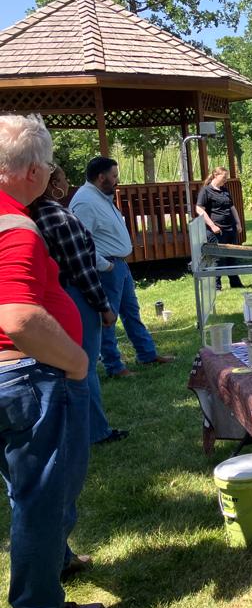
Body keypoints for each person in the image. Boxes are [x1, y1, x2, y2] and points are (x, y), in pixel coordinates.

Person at [0, 114, 101, 608]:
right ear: (34, 170)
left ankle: (53, 561)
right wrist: (77, 361)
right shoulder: (15, 226)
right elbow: (17, 316)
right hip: (26, 377)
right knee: (41, 494)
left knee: (30, 488)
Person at [31, 164, 124, 445]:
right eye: (61, 178)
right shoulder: (57, 217)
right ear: (51, 184)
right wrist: (103, 306)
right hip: (74, 296)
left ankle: (71, 428)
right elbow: (82, 269)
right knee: (83, 363)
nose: (67, 182)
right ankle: (95, 430)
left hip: (54, 295)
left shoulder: (34, 215)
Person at [70, 156, 175, 378]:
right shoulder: (85, 202)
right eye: (114, 176)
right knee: (108, 319)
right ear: (101, 177)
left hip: (119, 266)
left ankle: (147, 354)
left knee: (131, 312)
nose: (117, 180)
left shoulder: (101, 196)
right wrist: (104, 265)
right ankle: (114, 367)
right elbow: (80, 242)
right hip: (107, 268)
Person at [195, 165, 244, 290]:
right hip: (216, 230)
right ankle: (216, 286)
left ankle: (235, 283)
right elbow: (199, 208)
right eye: (224, 177)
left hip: (230, 228)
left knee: (232, 255)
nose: (225, 180)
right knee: (218, 258)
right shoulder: (206, 191)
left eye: (226, 177)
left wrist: (238, 223)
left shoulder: (225, 190)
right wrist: (212, 225)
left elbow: (232, 207)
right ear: (216, 175)